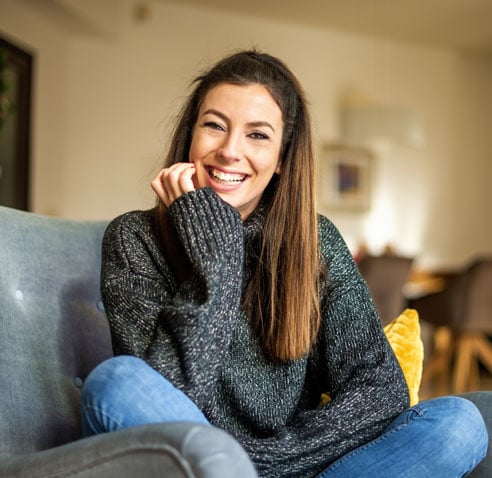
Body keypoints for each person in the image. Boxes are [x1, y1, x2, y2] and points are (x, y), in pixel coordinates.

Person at [81, 50, 488, 477]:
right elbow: (160, 404)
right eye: (214, 126)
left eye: (257, 135)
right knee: (117, 382)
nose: (229, 151)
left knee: (459, 424)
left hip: (291, 464)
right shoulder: (134, 239)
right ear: (190, 139)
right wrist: (215, 261)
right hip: (192, 463)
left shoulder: (316, 242)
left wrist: (267, 463)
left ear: (280, 160)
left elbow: (379, 388)